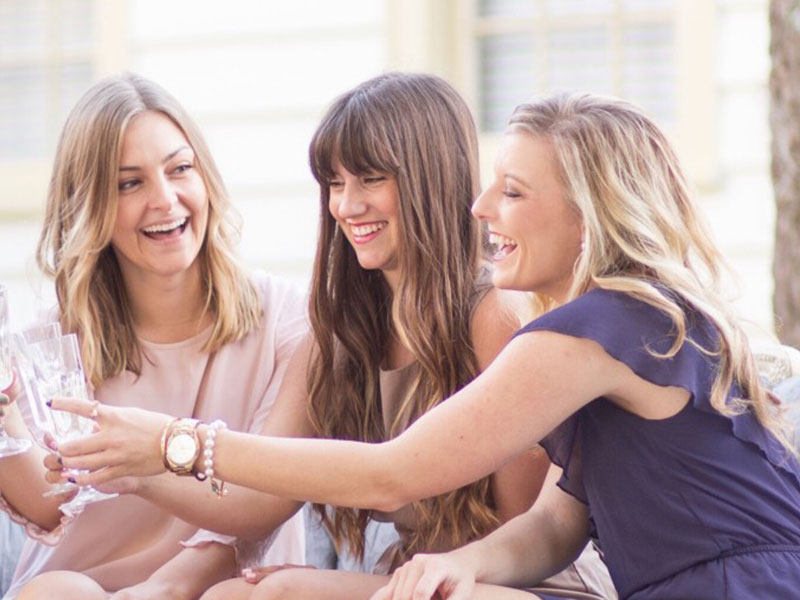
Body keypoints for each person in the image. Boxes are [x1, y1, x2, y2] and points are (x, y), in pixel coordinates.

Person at [54, 91, 800, 599]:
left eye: (511, 191)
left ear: (587, 215)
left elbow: (393, 474)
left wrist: (176, 445)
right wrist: (453, 567)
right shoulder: (599, 334)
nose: (480, 208)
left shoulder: (593, 330)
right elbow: (553, 523)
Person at [190, 73, 612, 599]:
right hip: (415, 583)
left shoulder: (494, 316)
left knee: (281, 591)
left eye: (369, 179)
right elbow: (255, 499)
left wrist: (174, 445)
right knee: (235, 595)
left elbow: (524, 531)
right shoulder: (340, 332)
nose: (346, 206)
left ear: (428, 180)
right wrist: (138, 463)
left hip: (523, 584)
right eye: (335, 184)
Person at [0, 73, 306, 599]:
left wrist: (163, 585)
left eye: (179, 169)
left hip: (228, 587)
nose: (165, 200)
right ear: (89, 204)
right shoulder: (50, 341)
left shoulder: (287, 320)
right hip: (79, 585)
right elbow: (51, 503)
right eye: (128, 183)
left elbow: (264, 497)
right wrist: (4, 416)